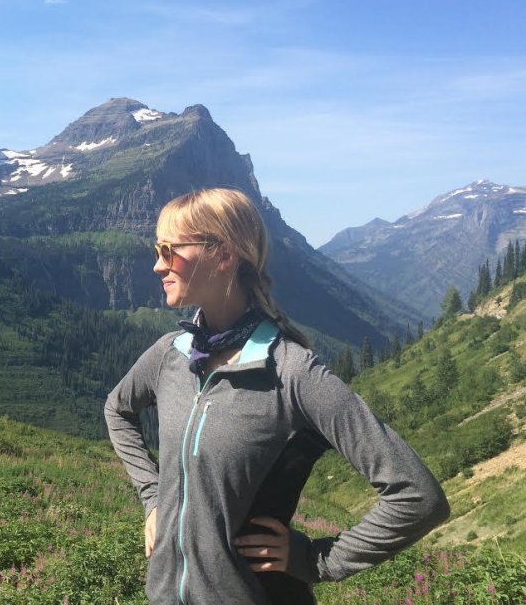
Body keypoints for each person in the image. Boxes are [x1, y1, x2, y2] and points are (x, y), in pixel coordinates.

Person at [104, 188, 449, 604]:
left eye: (168, 249)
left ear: (224, 256)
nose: (158, 265)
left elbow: (418, 497)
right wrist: (152, 497)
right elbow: (118, 409)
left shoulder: (291, 372)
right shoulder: (170, 355)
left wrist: (316, 559)